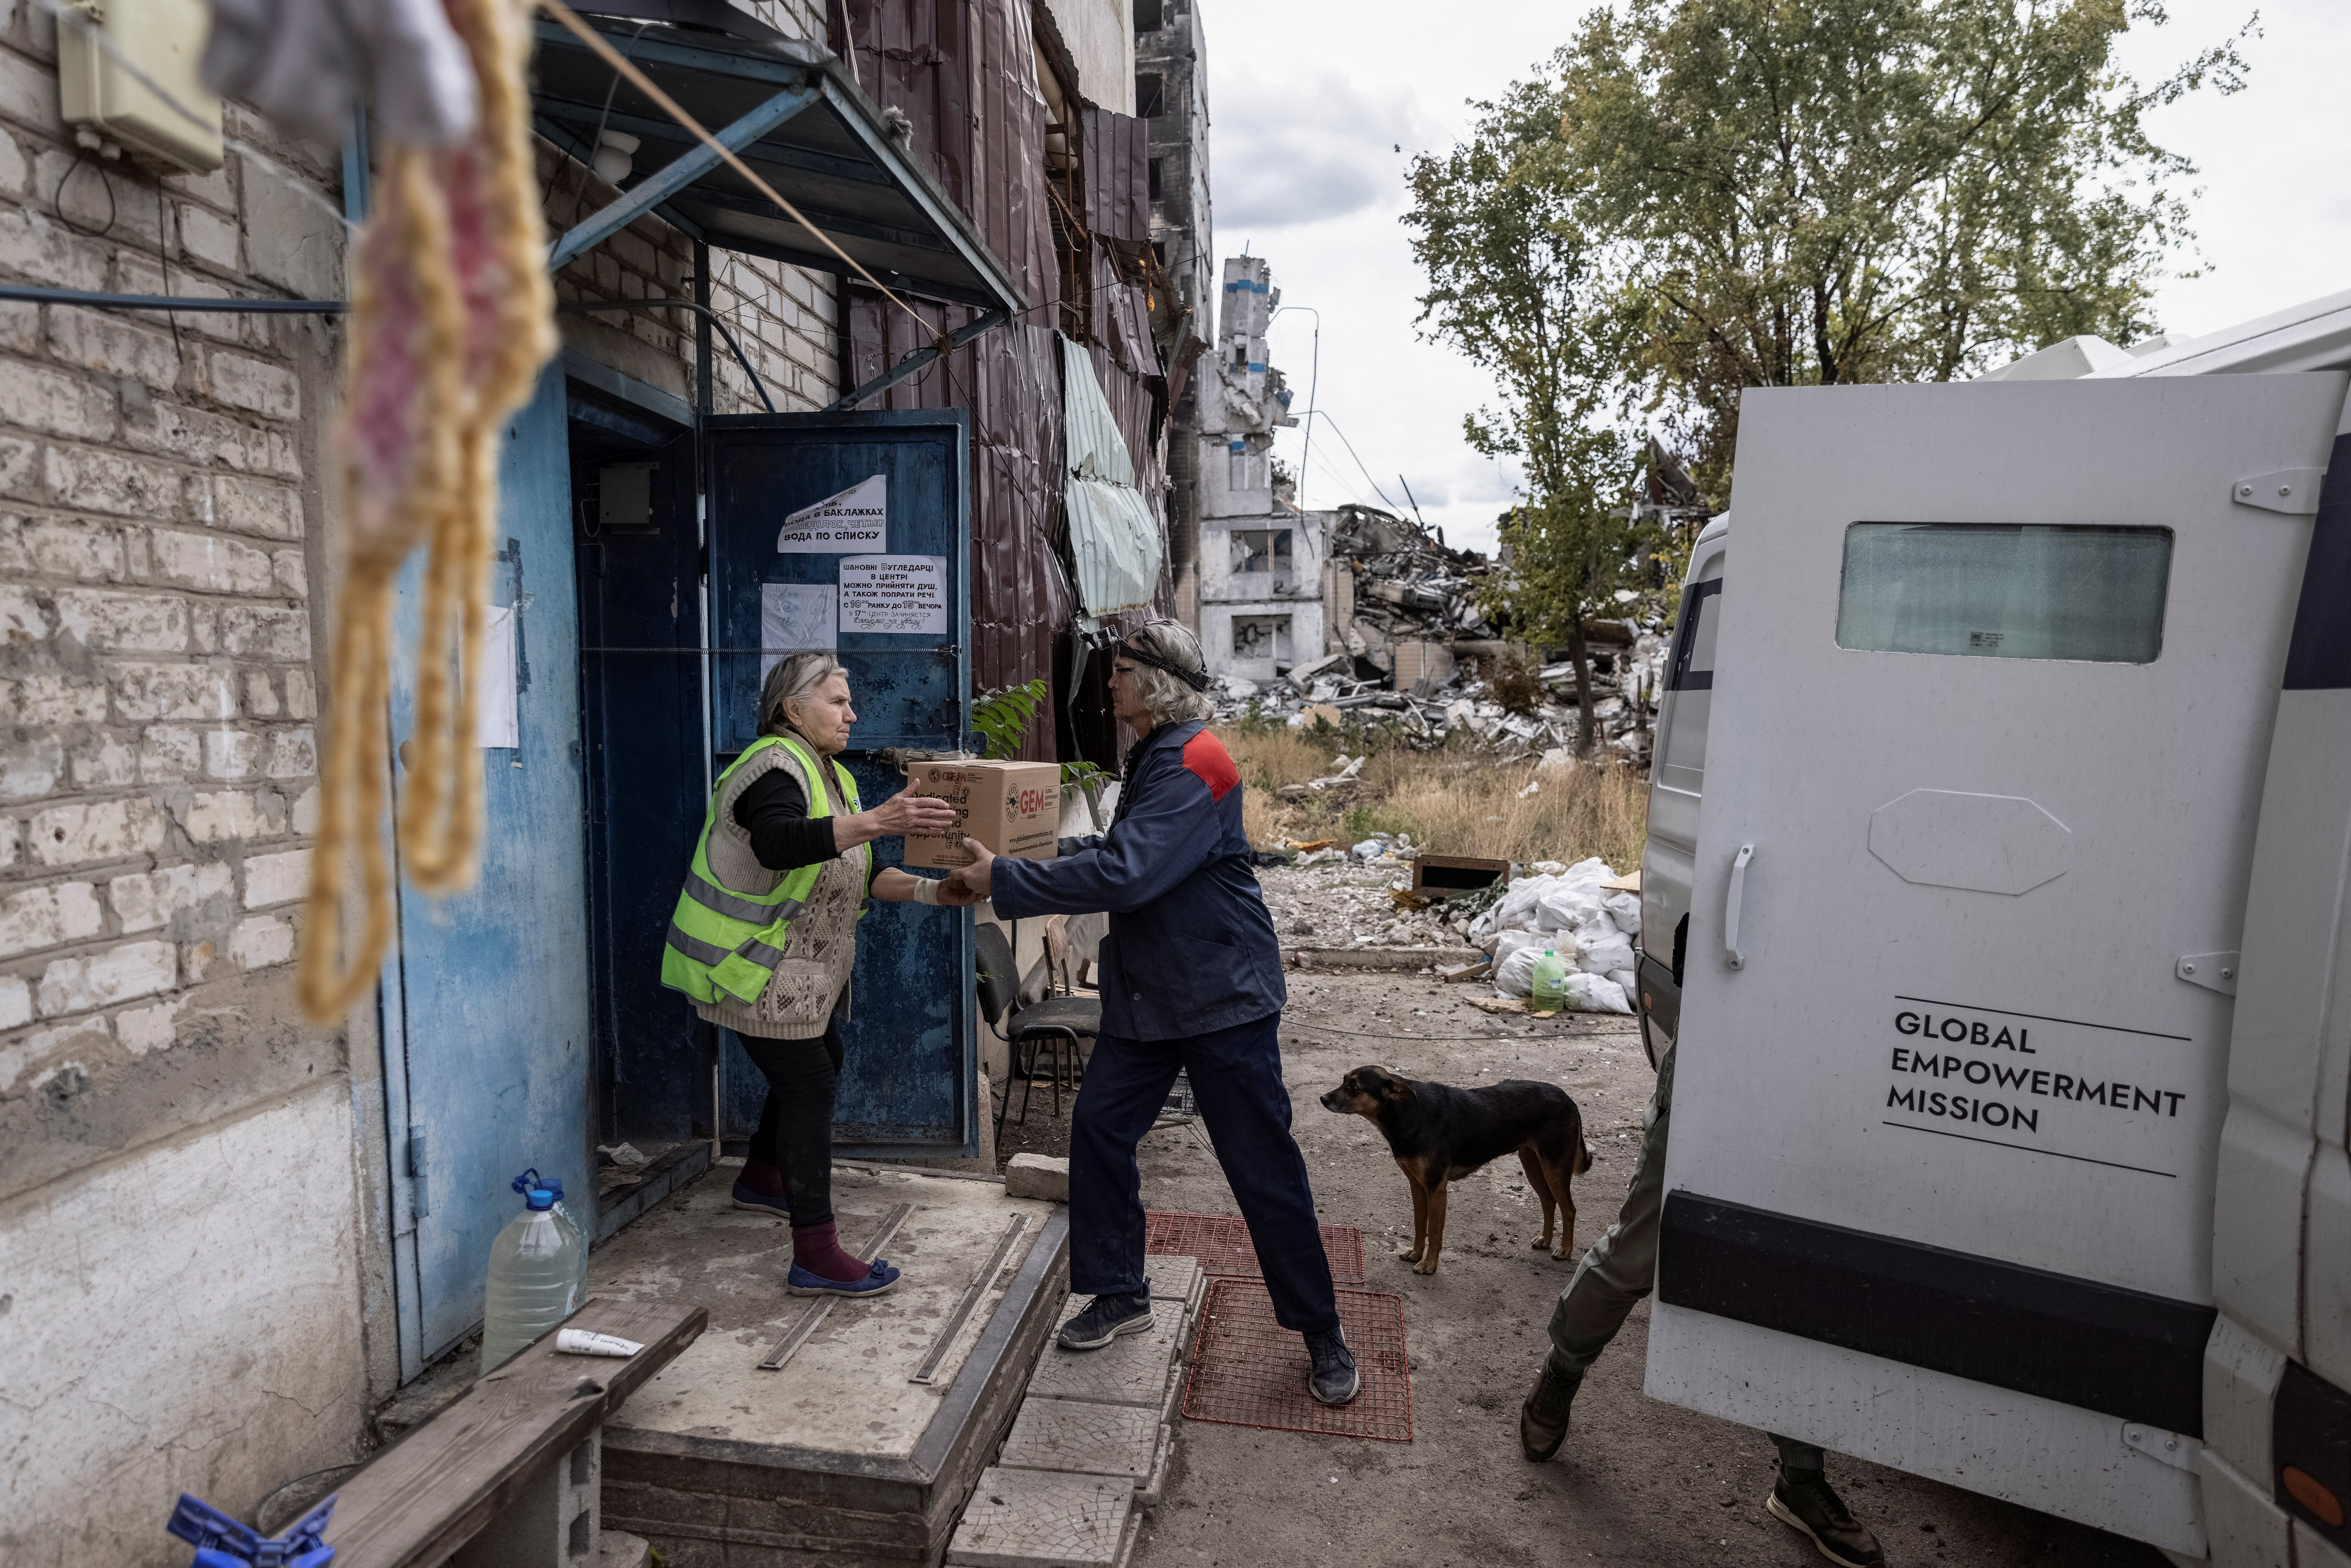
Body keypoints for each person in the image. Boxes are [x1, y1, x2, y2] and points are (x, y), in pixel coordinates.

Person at [940, 621, 1358, 1404]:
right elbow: (1117, 847)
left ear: (1158, 681)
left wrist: (1008, 880)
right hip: (1151, 992)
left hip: (1221, 996)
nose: (1109, 683)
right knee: (1100, 1130)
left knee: (1261, 1169)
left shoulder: (1196, 759)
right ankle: (1121, 1292)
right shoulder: (1156, 755)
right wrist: (1034, 857)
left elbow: (1131, 875)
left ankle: (1322, 1330)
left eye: (1122, 670)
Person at [1517, 1040, 1888, 1568]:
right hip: (1720, 1056)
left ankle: (1801, 1477)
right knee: (1637, 1255)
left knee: (1796, 1278)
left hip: (1832, 1074)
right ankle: (1563, 1370)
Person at [661, 652, 959, 1298]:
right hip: (746, 964)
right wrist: (881, 819)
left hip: (791, 972)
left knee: (822, 1055)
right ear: (792, 708)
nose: (852, 713)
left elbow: (863, 871)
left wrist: (938, 894)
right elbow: (779, 842)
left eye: (850, 701)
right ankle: (816, 1253)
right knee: (810, 1082)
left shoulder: (830, 774)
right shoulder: (773, 765)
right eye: (837, 701)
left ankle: (764, 1176)